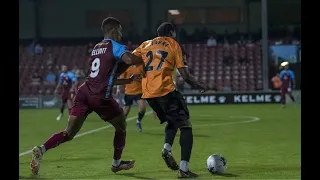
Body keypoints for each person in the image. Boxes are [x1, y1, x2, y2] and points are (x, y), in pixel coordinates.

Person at [30, 17, 143, 175]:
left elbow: (103, 78)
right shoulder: (115, 46)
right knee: (121, 126)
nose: (121, 34)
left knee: (68, 133)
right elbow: (130, 59)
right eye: (120, 31)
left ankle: (41, 150)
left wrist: (128, 80)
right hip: (99, 95)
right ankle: (116, 164)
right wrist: (143, 55)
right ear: (113, 30)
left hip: (84, 91)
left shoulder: (97, 47)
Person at [132, 22, 208, 178]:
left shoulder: (145, 44)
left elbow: (130, 60)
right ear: (171, 32)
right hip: (165, 91)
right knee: (186, 126)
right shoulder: (173, 44)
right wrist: (199, 85)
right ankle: (184, 169)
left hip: (149, 94)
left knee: (172, 121)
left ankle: (167, 148)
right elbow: (185, 76)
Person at [119, 65, 146, 132]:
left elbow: (145, 77)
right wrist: (120, 87)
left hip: (139, 92)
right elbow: (122, 78)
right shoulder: (126, 67)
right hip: (128, 92)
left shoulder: (141, 67)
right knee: (125, 112)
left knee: (143, 108)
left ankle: (138, 121)